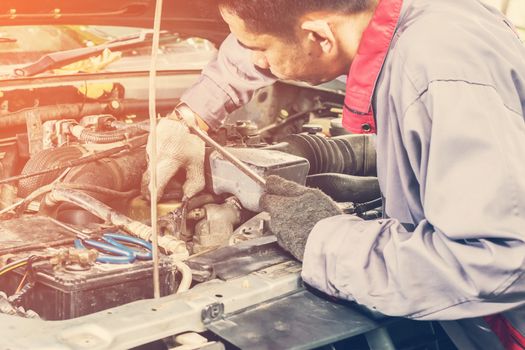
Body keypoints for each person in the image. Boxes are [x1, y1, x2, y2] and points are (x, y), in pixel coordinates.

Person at [143, 0, 525, 348]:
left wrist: (323, 238)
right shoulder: (389, 18)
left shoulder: (442, 73)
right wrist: (190, 116)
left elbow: (496, 261)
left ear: (320, 37)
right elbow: (270, 28)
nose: (255, 61)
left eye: (259, 49)